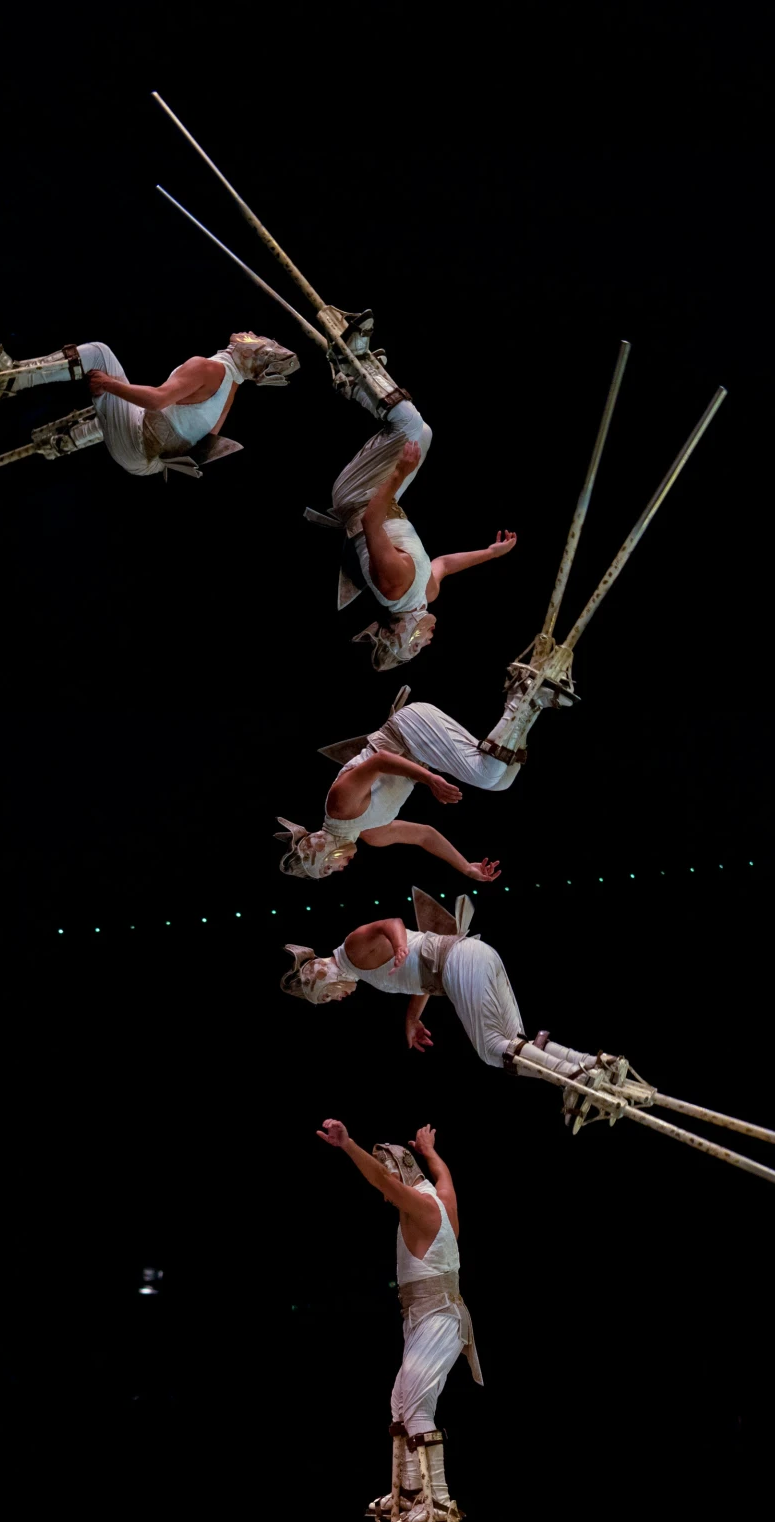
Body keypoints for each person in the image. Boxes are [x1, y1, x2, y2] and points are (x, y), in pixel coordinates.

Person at [279, 897, 619, 1102]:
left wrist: (398, 944)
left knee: (490, 1049)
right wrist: (412, 1018)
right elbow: (420, 975)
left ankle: (573, 1076)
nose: (336, 1000)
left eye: (327, 997)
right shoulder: (363, 970)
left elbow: (390, 922)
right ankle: (589, 1064)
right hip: (474, 955)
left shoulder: (351, 950)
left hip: (459, 962)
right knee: (513, 1044)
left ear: (324, 977)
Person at [314, 1119, 481, 1522]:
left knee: (418, 1405)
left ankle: (438, 1500)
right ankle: (408, 1492)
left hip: (438, 1318)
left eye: (390, 1181)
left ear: (398, 1176)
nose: (386, 1196)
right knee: (400, 1403)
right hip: (425, 1317)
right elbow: (444, 1174)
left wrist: (348, 1145)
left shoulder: (421, 1206)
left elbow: (380, 1180)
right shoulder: (438, 1196)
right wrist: (430, 1151)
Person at [311, 390, 518, 670]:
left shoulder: (395, 585)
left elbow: (371, 520)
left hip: (356, 497)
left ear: (400, 632)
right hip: (384, 499)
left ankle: (352, 382)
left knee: (408, 422)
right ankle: (368, 384)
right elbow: (443, 564)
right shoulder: (425, 595)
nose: (426, 642)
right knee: (425, 433)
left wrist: (400, 473)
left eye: (416, 643)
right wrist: (490, 553)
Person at [277, 689, 515, 883]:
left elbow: (380, 760)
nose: (339, 870)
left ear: (325, 854)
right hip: (422, 749)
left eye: (329, 868)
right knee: (502, 780)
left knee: (486, 775)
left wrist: (429, 780)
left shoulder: (339, 808)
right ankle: (531, 703)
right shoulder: (372, 833)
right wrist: (465, 868)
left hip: (408, 731)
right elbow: (424, 835)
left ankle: (520, 695)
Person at [61, 334, 298, 477]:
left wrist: (108, 384)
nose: (251, 332)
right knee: (137, 410)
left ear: (250, 352)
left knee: (99, 353)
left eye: (258, 338)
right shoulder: (231, 390)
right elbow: (203, 447)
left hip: (138, 443)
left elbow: (157, 399)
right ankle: (72, 438)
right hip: (148, 462)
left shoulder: (209, 368)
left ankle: (24, 376)